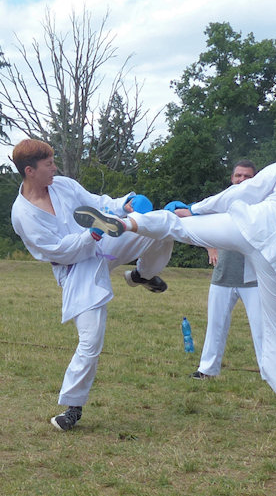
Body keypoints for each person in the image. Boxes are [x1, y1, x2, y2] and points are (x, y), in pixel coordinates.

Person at [73, 125, 276, 443]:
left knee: (179, 225)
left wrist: (195, 209)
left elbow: (242, 193)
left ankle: (125, 222)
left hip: (253, 223)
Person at [10, 139, 173, 432]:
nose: (54, 168)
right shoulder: (23, 215)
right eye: (49, 164)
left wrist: (124, 205)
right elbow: (58, 250)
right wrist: (91, 235)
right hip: (76, 269)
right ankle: (73, 407)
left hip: (102, 243)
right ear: (29, 171)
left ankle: (142, 275)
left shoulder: (63, 185)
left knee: (160, 228)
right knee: (91, 339)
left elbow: (98, 204)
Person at [191, 160, 263, 381]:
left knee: (262, 328)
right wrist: (210, 247)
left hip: (254, 279)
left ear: (255, 180)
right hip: (223, 275)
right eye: (238, 176)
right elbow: (201, 223)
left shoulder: (262, 204)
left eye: (247, 176)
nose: (242, 180)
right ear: (232, 178)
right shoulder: (222, 202)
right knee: (216, 326)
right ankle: (207, 370)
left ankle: (270, 373)